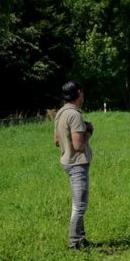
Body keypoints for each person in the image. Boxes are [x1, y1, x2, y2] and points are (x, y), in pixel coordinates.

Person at [53, 80, 93, 250]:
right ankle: (74, 243)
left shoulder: (61, 113)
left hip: (67, 161)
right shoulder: (75, 115)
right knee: (80, 206)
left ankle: (81, 238)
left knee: (78, 204)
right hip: (77, 164)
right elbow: (78, 146)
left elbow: (56, 141)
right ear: (78, 93)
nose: (83, 95)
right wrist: (89, 131)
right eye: (82, 92)